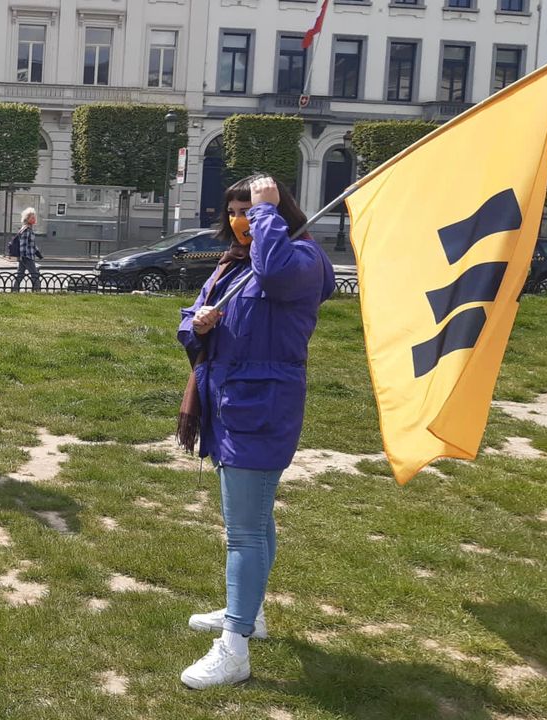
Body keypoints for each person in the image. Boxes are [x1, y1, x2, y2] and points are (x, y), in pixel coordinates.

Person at [175, 175, 334, 689]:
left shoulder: (301, 261)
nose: (242, 221)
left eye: (254, 210)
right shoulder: (231, 265)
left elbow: (278, 275)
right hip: (226, 404)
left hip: (262, 407)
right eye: (237, 212)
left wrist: (270, 215)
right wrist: (196, 325)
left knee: (242, 531)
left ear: (280, 213)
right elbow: (190, 318)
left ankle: (234, 648)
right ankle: (249, 614)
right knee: (256, 524)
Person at [11, 207, 43, 292]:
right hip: (27, 257)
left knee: (20, 275)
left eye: (34, 217)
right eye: (32, 217)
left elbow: (31, 244)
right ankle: (38, 292)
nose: (34, 219)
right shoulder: (26, 230)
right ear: (27, 219)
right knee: (35, 274)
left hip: (27, 256)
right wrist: (24, 257)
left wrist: (37, 252)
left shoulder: (29, 229)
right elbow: (23, 245)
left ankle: (14, 291)